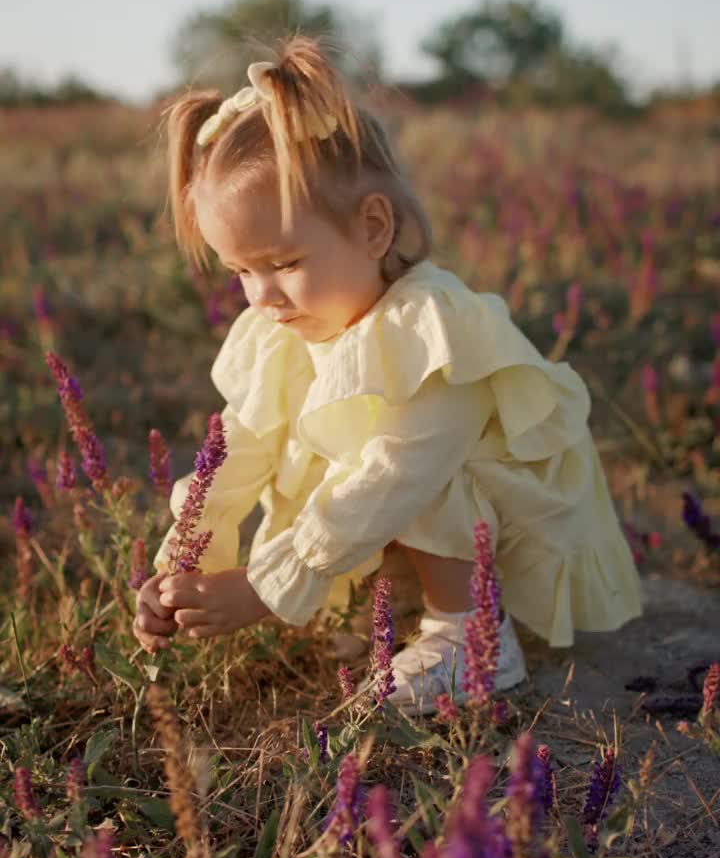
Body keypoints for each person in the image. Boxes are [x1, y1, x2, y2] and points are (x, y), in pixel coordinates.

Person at [132, 36, 642, 712]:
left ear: (373, 228)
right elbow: (242, 444)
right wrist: (184, 561)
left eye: (283, 262)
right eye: (240, 271)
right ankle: (409, 605)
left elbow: (399, 475)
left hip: (504, 529)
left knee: (411, 467)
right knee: (319, 457)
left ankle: (471, 634)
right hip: (405, 524)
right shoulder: (279, 331)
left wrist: (265, 586)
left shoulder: (433, 327)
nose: (261, 296)